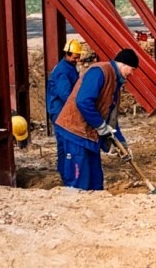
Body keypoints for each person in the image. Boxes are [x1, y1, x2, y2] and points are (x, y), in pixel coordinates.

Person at [54, 48, 139, 190]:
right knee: (79, 182)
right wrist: (100, 126)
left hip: (89, 136)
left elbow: (111, 119)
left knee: (95, 181)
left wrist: (121, 143)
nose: (132, 74)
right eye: (132, 69)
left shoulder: (115, 84)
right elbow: (83, 101)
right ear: (123, 65)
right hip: (76, 132)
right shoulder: (100, 71)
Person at [47, 39, 82, 181]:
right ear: (67, 54)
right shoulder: (63, 71)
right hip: (59, 111)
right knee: (65, 143)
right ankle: (65, 173)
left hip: (61, 110)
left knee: (65, 143)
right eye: (75, 56)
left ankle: (66, 172)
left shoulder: (68, 66)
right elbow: (65, 94)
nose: (77, 59)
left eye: (78, 56)